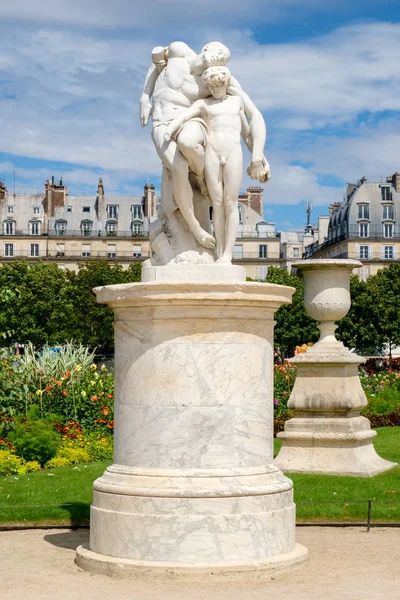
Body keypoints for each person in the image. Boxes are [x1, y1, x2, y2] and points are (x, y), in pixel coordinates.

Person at [140, 42, 270, 252]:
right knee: (179, 168)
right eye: (218, 52)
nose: (218, 58)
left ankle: (202, 178)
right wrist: (144, 97)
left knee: (188, 142)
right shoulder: (178, 50)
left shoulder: (219, 78)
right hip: (162, 123)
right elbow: (156, 63)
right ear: (206, 48)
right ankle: (196, 229)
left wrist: (259, 155)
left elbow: (249, 118)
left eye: (223, 58)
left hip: (191, 124)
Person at [164, 66, 268, 264]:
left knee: (231, 203)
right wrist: (170, 129)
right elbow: (183, 116)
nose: (215, 88)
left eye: (218, 84)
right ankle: (221, 254)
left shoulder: (237, 100)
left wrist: (258, 156)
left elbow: (253, 124)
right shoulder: (204, 104)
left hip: (233, 152)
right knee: (218, 204)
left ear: (226, 82)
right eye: (211, 85)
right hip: (213, 152)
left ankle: (228, 255)